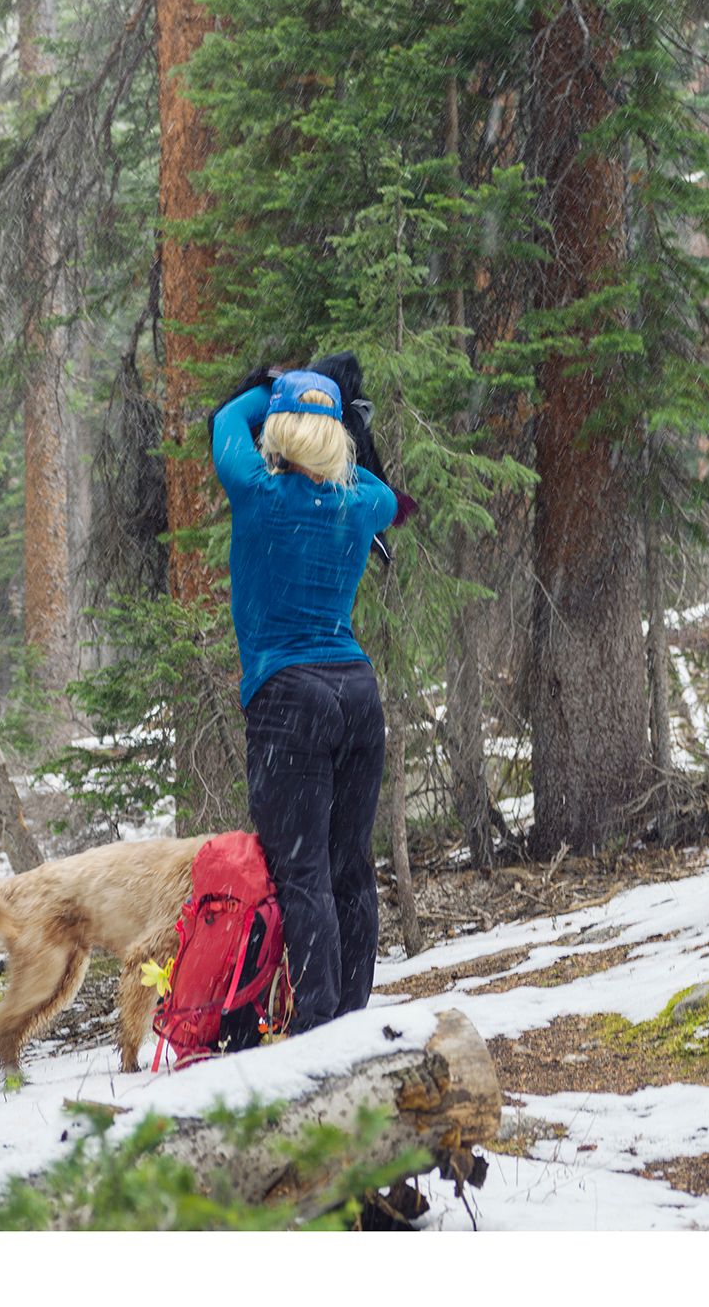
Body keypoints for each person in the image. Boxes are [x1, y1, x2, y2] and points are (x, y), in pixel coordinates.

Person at [207, 354, 406, 1037]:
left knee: (303, 874)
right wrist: (338, 404)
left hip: (288, 697)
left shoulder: (255, 492)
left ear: (280, 437)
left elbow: (227, 419)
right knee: (350, 865)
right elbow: (386, 492)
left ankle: (317, 1034)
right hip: (357, 692)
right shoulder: (361, 504)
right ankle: (351, 1017)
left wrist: (275, 385)